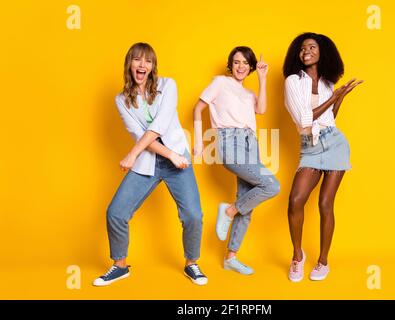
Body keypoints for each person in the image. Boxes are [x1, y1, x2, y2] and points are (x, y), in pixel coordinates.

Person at [93, 42, 207, 286]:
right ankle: (120, 266)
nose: (142, 65)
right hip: (149, 162)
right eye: (137, 60)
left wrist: (134, 154)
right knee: (116, 212)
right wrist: (148, 154)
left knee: (193, 215)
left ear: (153, 66)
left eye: (147, 61)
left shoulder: (168, 85)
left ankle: (192, 263)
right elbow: (140, 134)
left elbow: (160, 125)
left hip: (178, 161)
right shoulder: (121, 100)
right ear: (129, 65)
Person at [193, 46, 280, 275]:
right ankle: (229, 211)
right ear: (230, 65)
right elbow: (198, 108)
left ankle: (231, 257)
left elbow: (261, 109)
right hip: (229, 140)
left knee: (247, 201)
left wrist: (262, 78)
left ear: (250, 67)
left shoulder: (250, 94)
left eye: (245, 63)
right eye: (236, 62)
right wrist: (200, 141)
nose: (240, 66)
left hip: (251, 143)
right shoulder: (220, 83)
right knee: (271, 185)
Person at [283, 32, 363, 282]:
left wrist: (340, 97)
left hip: (335, 143)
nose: (306, 50)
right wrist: (333, 97)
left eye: (312, 47)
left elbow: (330, 118)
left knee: (325, 204)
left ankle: (323, 262)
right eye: (302, 47)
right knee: (296, 200)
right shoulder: (293, 81)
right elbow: (304, 119)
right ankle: (298, 256)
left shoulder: (328, 83)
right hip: (310, 146)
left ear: (322, 52)